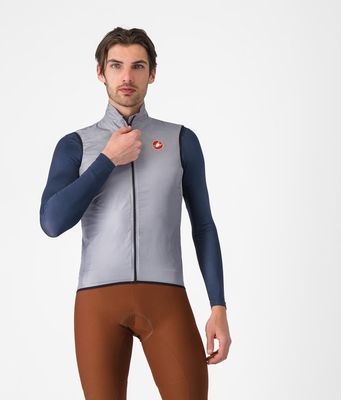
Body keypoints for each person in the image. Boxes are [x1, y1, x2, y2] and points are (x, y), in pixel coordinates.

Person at [40, 27, 231, 400]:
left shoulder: (180, 140)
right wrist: (107, 160)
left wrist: (218, 306)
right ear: (101, 72)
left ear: (152, 73)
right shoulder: (76, 145)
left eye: (138, 66)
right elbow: (52, 222)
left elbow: (204, 226)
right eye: (116, 65)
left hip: (167, 299)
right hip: (97, 304)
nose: (126, 76)